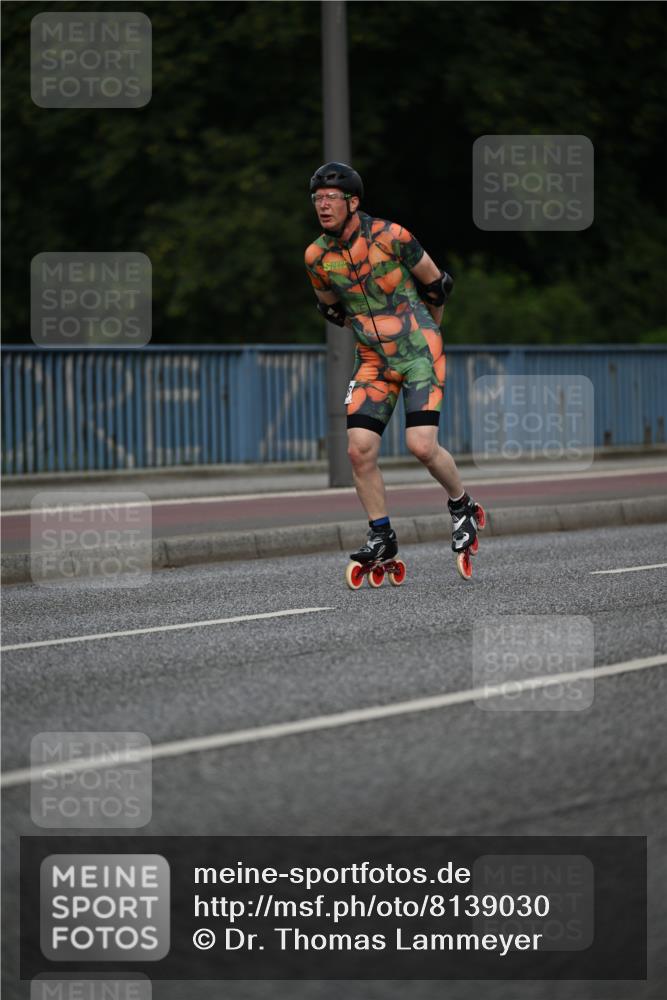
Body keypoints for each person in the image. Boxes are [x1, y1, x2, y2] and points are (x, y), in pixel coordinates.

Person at [304, 161, 482, 571]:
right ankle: (381, 535)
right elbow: (330, 309)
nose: (323, 206)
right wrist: (370, 332)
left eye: (331, 198)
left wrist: (428, 334)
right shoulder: (316, 256)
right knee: (358, 450)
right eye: (317, 199)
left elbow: (438, 284)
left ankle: (463, 506)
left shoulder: (391, 235)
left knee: (420, 445)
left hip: (419, 351)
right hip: (372, 361)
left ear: (353, 202)